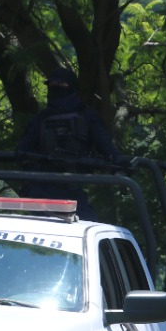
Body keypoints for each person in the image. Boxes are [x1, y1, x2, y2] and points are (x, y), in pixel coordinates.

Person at [15, 66, 125, 220]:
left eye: (62, 85)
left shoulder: (87, 117)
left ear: (71, 87)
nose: (56, 88)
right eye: (52, 85)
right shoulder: (40, 120)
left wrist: (118, 163)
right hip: (41, 190)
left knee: (89, 227)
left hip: (72, 191)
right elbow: (22, 154)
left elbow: (108, 148)